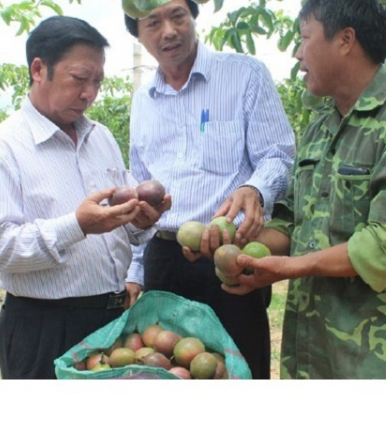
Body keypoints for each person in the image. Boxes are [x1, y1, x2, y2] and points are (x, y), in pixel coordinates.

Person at [223, 0, 386, 379]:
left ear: (346, 40)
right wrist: (234, 245)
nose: (298, 54)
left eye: (304, 38)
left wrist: (291, 268)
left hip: (381, 360)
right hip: (314, 353)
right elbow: (294, 225)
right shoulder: (319, 131)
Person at [0, 16, 170, 379]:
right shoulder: (1, 147)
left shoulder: (101, 137)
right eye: (80, 78)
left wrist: (140, 222)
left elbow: (120, 226)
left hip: (112, 320)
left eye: (97, 82)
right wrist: (76, 226)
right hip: (44, 327)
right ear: (39, 69)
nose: (90, 92)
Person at [123, 0, 295, 379]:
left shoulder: (244, 76)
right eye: (153, 22)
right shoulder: (142, 102)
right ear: (137, 33)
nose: (168, 30)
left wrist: (255, 189)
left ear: (193, 17)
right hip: (165, 258)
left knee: (238, 368)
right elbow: (142, 191)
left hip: (228, 258)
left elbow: (278, 155)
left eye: (178, 16)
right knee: (167, 371)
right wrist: (136, 269)